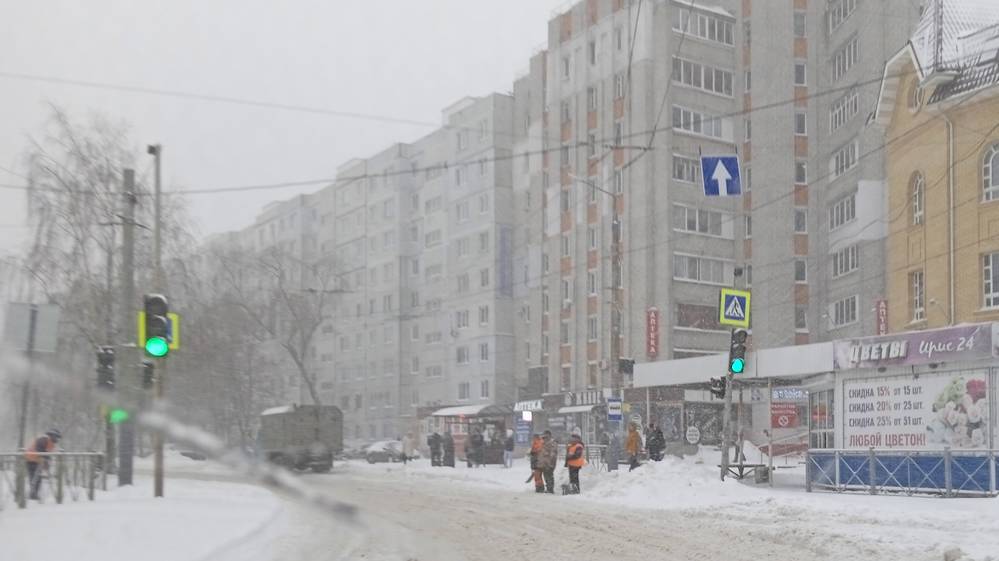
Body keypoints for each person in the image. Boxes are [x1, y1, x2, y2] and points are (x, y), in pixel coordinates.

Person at [25, 429, 61, 500]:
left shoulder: (51, 443)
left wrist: (47, 462)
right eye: (56, 437)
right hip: (31, 459)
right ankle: (32, 495)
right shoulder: (43, 439)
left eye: (57, 437)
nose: (57, 439)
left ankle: (34, 495)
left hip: (38, 461)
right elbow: (40, 451)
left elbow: (46, 454)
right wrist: (47, 458)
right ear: (51, 436)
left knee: (38, 478)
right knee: (34, 478)